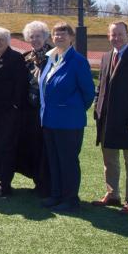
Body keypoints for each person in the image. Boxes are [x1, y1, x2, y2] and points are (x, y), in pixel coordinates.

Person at [91, 21, 128, 215]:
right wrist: (97, 109)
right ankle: (112, 193)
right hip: (107, 120)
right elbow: (101, 86)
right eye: (112, 34)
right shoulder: (106, 57)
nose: (116, 38)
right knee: (109, 160)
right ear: (108, 36)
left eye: (120, 34)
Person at [38, 22, 96, 213]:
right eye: (56, 34)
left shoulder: (78, 61)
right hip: (49, 119)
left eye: (64, 34)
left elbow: (88, 92)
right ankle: (56, 194)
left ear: (72, 38)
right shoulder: (50, 58)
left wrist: (72, 110)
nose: (59, 37)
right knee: (53, 160)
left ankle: (70, 199)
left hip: (69, 122)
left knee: (68, 161)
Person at [0, 27, 29, 197]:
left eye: (1, 39)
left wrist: (15, 107)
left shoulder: (15, 58)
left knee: (5, 147)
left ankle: (5, 184)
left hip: (8, 112)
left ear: (8, 41)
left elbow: (21, 84)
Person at [19, 21, 53, 196]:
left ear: (45, 37)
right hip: (30, 112)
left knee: (47, 147)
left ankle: (47, 183)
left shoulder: (54, 57)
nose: (35, 40)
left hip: (48, 110)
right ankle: (38, 181)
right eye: (32, 37)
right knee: (33, 146)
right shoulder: (25, 58)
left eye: (38, 36)